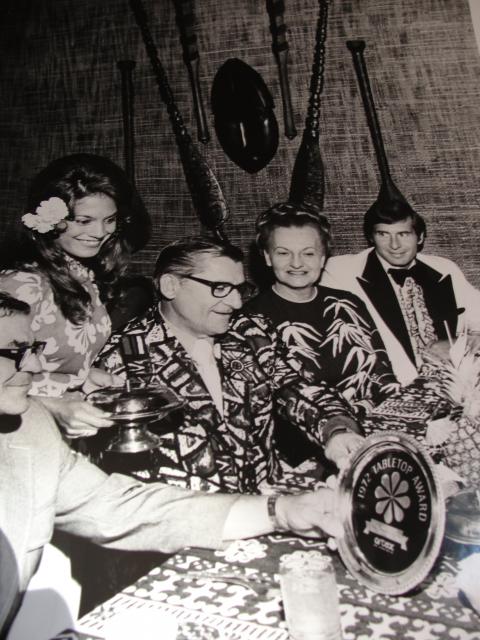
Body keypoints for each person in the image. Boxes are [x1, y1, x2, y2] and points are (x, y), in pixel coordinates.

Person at [0, 290, 344, 637]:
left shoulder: (30, 431)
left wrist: (280, 511)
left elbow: (126, 508)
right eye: (15, 352)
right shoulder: (130, 348)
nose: (35, 367)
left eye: (33, 350)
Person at [94, 236, 363, 493]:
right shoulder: (123, 357)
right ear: (170, 286)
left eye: (239, 289)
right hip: (187, 513)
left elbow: (297, 387)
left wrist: (336, 430)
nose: (236, 303)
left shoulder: (251, 332)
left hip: (267, 500)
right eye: (220, 288)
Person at [0, 153, 150, 437]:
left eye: (110, 220)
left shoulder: (84, 275)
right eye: (83, 221)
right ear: (49, 220)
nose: (100, 232)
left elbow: (55, 362)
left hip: (67, 430)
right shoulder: (20, 285)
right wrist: (53, 404)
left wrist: (84, 378)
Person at [244, 202, 398, 466]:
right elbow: (286, 397)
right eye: (283, 253)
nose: (296, 263)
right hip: (309, 454)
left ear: (323, 256)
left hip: (376, 437)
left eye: (308, 253)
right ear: (267, 257)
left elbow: (382, 375)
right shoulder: (250, 320)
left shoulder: (347, 303)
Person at [320, 200, 480, 385]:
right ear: (371, 237)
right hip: (384, 385)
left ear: (420, 237)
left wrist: (456, 345)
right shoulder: (340, 271)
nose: (394, 245)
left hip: (452, 384)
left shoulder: (444, 268)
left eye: (403, 234)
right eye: (383, 234)